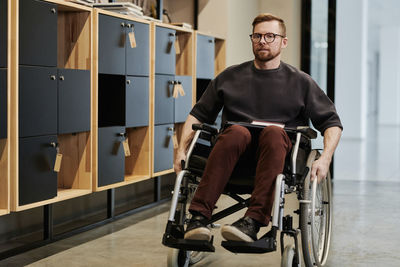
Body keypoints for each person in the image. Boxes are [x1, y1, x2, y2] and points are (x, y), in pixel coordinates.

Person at [174, 13, 343, 242]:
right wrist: (181, 151)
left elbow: (332, 122)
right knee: (236, 131)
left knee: (273, 132)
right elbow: (197, 116)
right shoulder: (229, 77)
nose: (263, 41)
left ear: (283, 41)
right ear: (252, 39)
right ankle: (198, 218)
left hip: (279, 157)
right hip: (233, 155)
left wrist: (325, 159)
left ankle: (253, 221)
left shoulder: (301, 82)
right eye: (257, 36)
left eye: (270, 36)